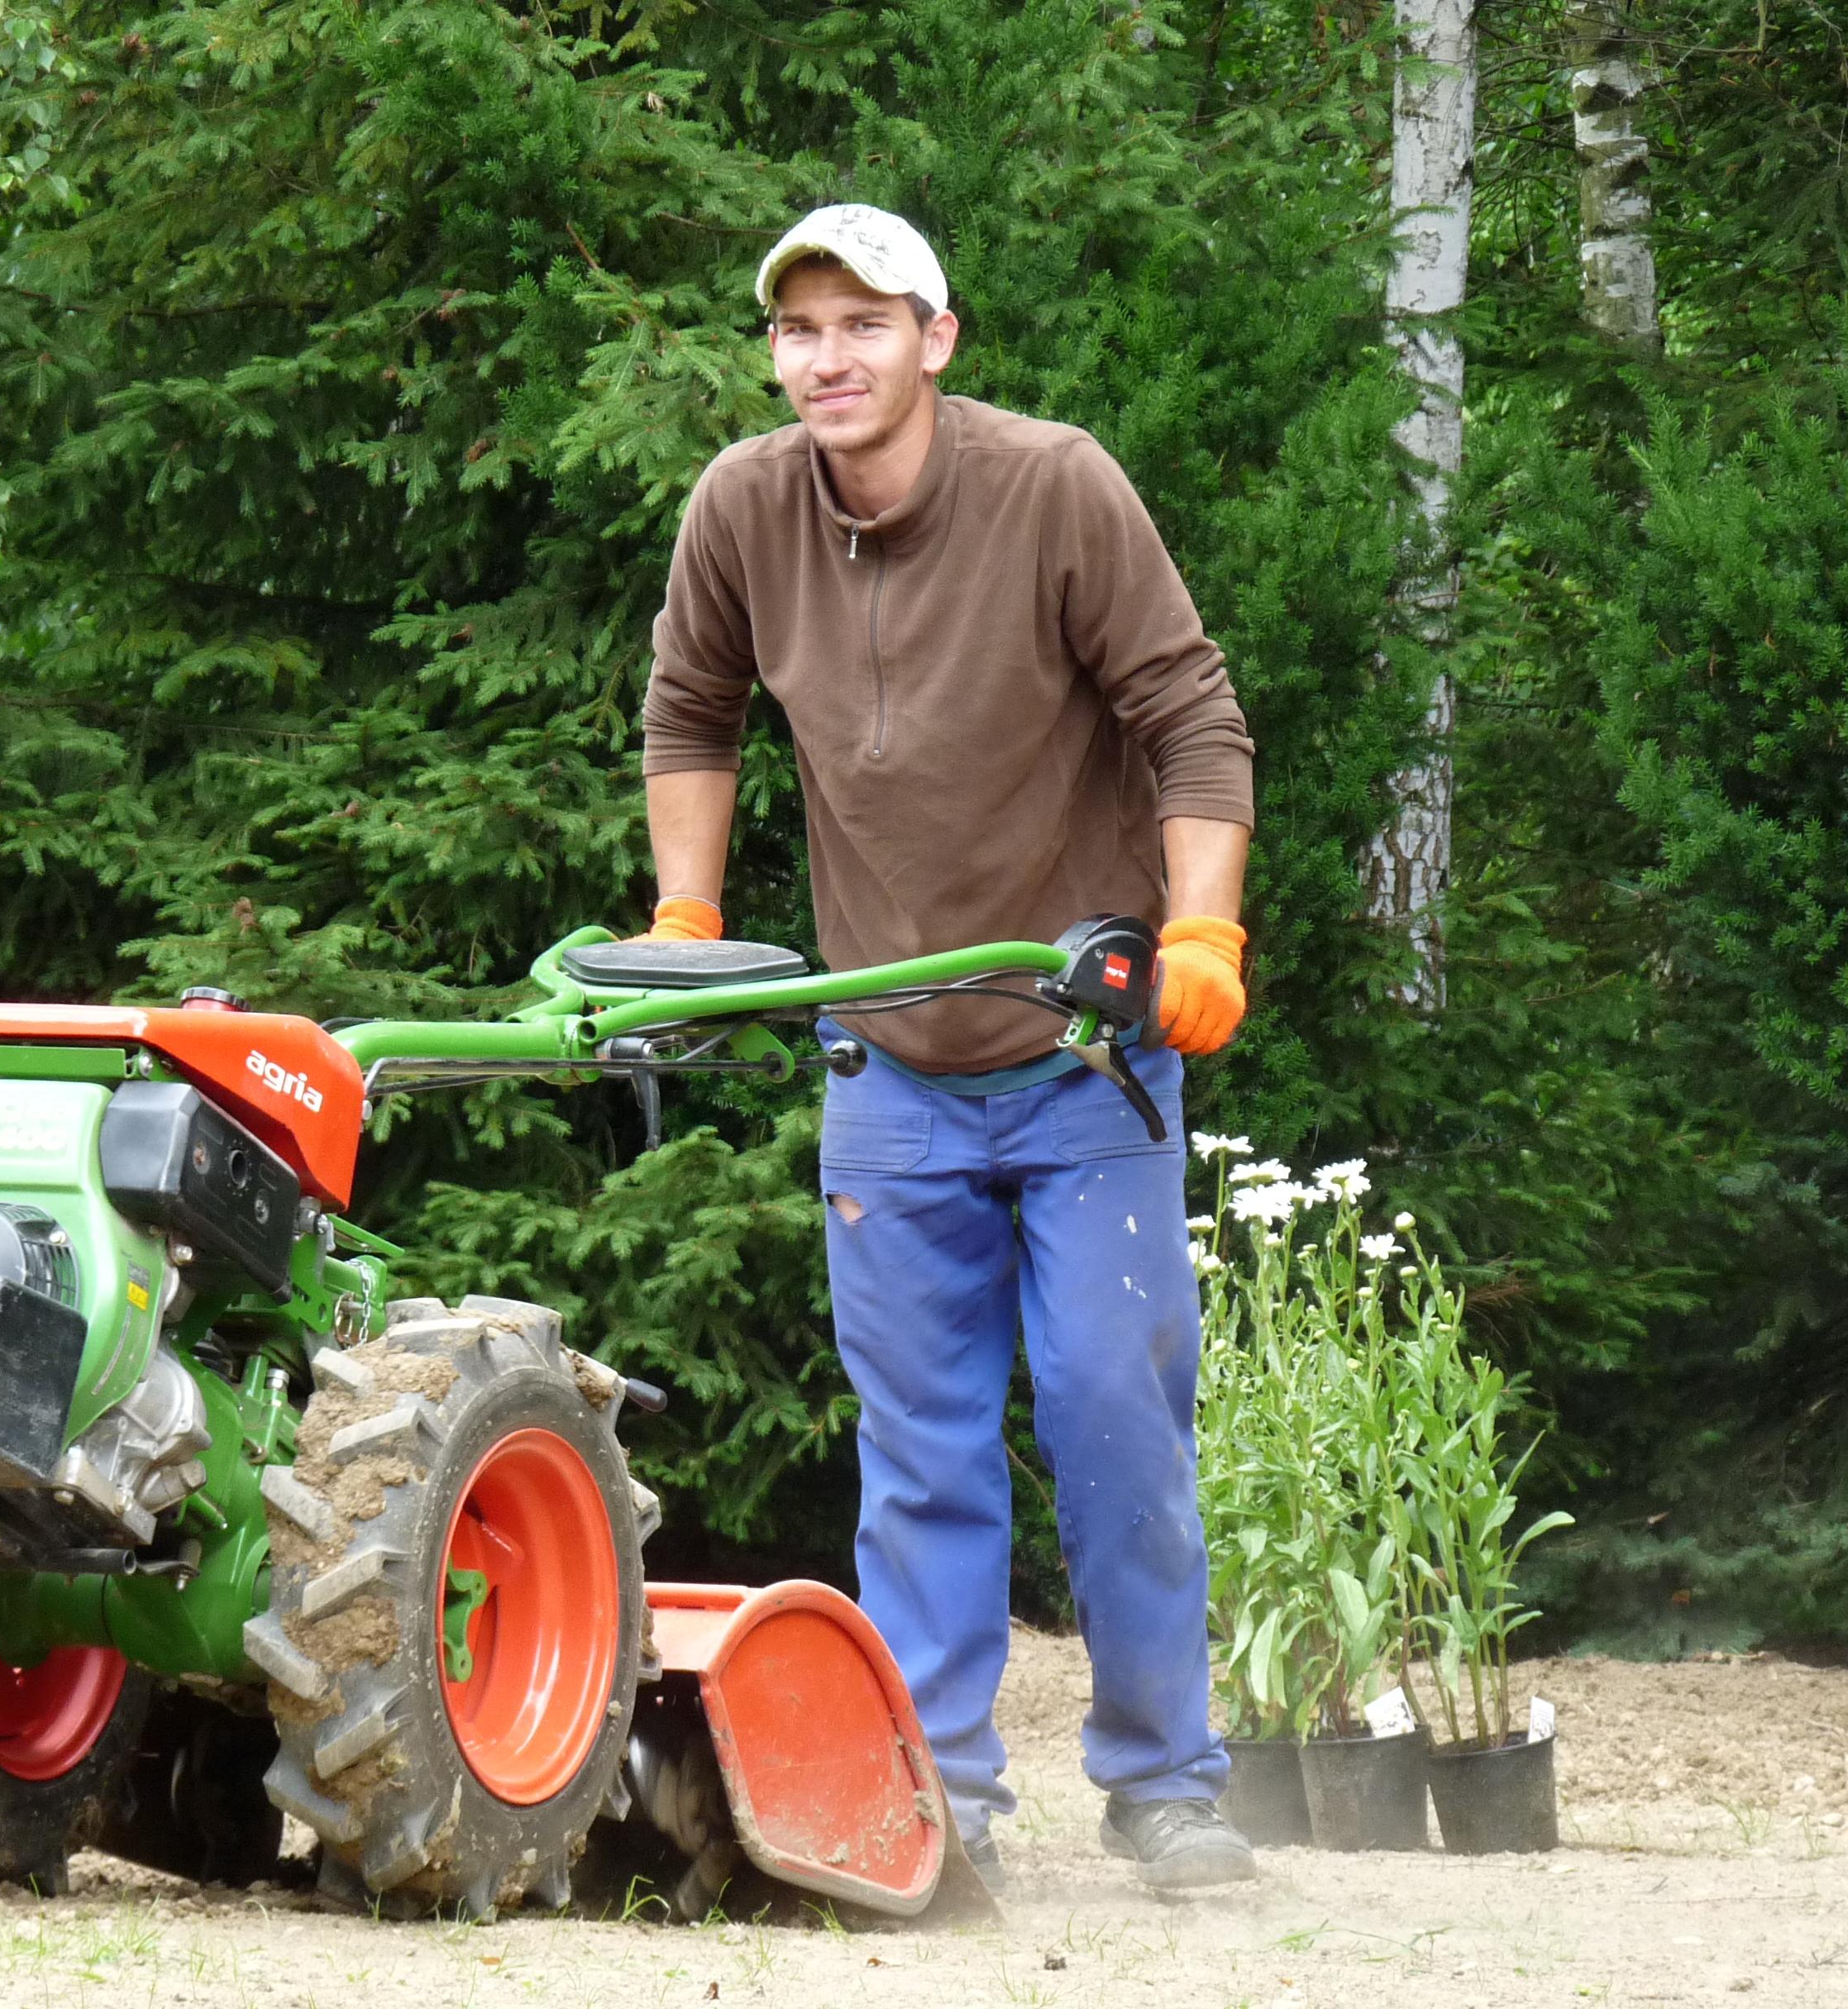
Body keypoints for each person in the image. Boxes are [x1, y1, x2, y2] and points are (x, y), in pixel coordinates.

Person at [637, 204, 1258, 1892]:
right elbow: (691, 712)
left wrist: (1200, 932)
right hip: (889, 1067)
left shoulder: (1056, 487)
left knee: (1113, 1418)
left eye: (864, 323)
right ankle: (941, 1808)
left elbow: (1192, 719)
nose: (826, 358)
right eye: (799, 331)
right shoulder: (744, 508)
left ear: (938, 337)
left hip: (1084, 1062)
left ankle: (1166, 1788)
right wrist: (688, 917)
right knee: (919, 1450)